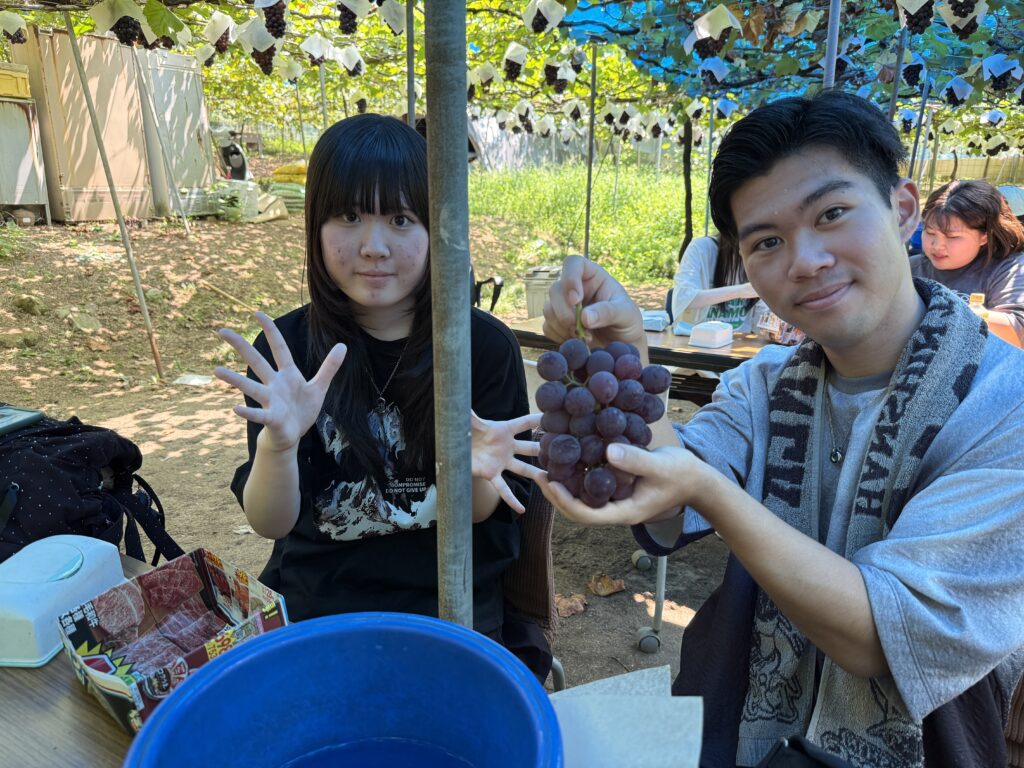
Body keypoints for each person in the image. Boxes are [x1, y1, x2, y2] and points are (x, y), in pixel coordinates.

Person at [540, 91, 1024, 767]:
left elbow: (880, 636)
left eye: (831, 214)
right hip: (739, 730)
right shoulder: (763, 384)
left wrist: (711, 493)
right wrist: (627, 355)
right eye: (767, 241)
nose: (805, 260)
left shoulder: (1004, 405)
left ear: (903, 209)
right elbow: (672, 487)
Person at [214, 114, 549, 679]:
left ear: (434, 228)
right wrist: (278, 444)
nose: (373, 247)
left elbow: (479, 512)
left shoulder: (482, 348)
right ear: (316, 225)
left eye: (400, 219)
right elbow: (271, 523)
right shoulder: (290, 353)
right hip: (321, 613)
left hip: (451, 611)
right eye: (349, 217)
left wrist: (470, 470)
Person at [912, 180, 1024, 348]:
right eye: (930, 232)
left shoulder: (1010, 270)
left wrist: (944, 311)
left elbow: (1017, 332)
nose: (937, 245)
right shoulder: (909, 268)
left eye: (952, 237)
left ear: (984, 236)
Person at [671, 233, 760, 332]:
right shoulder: (701, 248)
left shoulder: (760, 257)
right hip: (697, 338)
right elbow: (683, 297)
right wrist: (741, 291)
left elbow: (761, 322)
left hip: (739, 340)